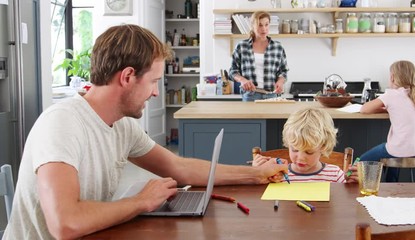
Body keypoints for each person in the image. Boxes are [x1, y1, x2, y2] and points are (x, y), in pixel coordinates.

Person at [3, 24, 288, 240]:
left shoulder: (122, 124)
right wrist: (140, 201)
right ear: (127, 77)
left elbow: (179, 167)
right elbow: (65, 222)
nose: (155, 92)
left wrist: (254, 174)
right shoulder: (62, 123)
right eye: (153, 81)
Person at [359, 60, 415, 182]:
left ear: (392, 77)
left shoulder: (391, 95)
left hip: (400, 149)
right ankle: (392, 187)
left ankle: (366, 187)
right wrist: (389, 110)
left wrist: (385, 109)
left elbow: (364, 109)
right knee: (393, 151)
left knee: (361, 160)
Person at [252, 108, 358, 183]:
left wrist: (354, 183)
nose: (301, 157)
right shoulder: (277, 175)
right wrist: (257, 173)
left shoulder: (335, 175)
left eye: (309, 152)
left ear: (323, 146)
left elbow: (348, 201)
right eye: (294, 150)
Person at [229, 11, 289, 102]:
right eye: (260, 25)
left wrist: (280, 81)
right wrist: (242, 80)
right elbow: (232, 71)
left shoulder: (278, 47)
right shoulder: (242, 46)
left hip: (272, 95)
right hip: (250, 95)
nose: (264, 29)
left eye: (266, 24)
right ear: (253, 26)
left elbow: (284, 71)